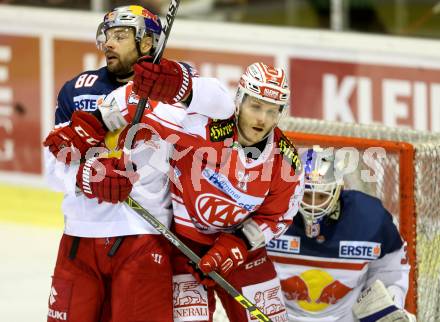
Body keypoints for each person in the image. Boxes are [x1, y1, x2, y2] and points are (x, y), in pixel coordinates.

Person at [42, 5, 235, 322]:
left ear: (147, 43)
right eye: (107, 37)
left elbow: (225, 105)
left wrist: (181, 85)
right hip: (78, 240)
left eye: (120, 36)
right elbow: (52, 164)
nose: (109, 44)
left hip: (142, 237)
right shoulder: (77, 90)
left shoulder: (174, 85)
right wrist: (85, 176)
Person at [82, 61, 305, 321]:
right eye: (255, 106)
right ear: (240, 101)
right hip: (184, 247)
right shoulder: (201, 129)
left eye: (271, 111)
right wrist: (94, 121)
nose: (262, 119)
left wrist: (236, 246)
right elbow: (136, 101)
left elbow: (278, 217)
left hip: (242, 253)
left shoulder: (286, 162)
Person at [267, 146, 417, 322]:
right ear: (293, 189)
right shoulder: (267, 213)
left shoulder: (369, 218)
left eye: (321, 197)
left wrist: (391, 299)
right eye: (307, 195)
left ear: (338, 189)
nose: (313, 205)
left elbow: (391, 267)